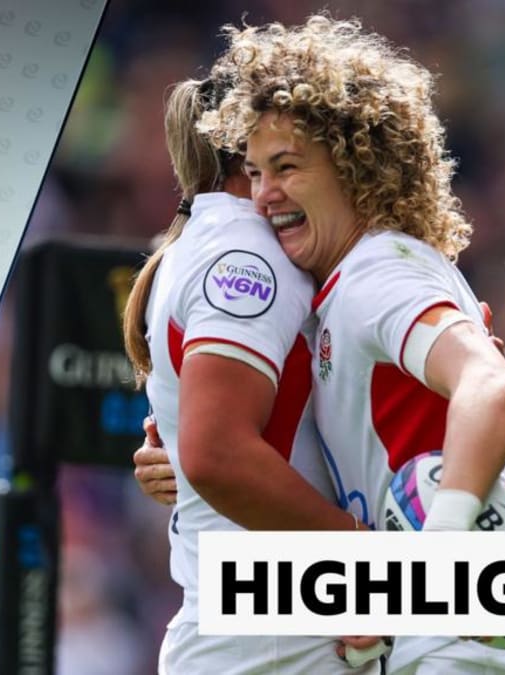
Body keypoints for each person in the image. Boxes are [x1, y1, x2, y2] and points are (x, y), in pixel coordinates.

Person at [139, 14, 505, 674]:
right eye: (257, 171)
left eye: (287, 166)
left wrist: (430, 553)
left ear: (354, 165)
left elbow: (492, 386)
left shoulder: (381, 271)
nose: (265, 195)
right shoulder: (337, 289)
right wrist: (185, 459)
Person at [122, 71, 378, 673]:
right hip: (277, 640)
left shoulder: (214, 243)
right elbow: (219, 455)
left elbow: (208, 447)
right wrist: (362, 563)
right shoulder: (252, 253)